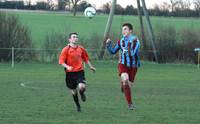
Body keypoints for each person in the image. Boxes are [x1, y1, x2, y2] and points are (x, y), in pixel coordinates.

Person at [106, 23, 140, 110]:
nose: (123, 31)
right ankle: (130, 104)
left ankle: (123, 84)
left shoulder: (135, 41)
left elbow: (132, 53)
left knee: (129, 85)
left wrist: (128, 47)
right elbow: (113, 51)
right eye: (122, 29)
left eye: (125, 29)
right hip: (123, 64)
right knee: (125, 79)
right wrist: (108, 45)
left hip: (133, 66)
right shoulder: (120, 41)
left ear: (130, 31)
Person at [59, 32, 96, 112]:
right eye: (74, 37)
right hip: (70, 73)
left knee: (82, 87)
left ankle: (82, 93)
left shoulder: (81, 48)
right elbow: (61, 61)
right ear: (69, 39)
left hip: (79, 71)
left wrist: (91, 66)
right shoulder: (66, 49)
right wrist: (67, 67)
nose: (76, 38)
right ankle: (78, 105)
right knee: (73, 91)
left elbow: (85, 58)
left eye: (76, 37)